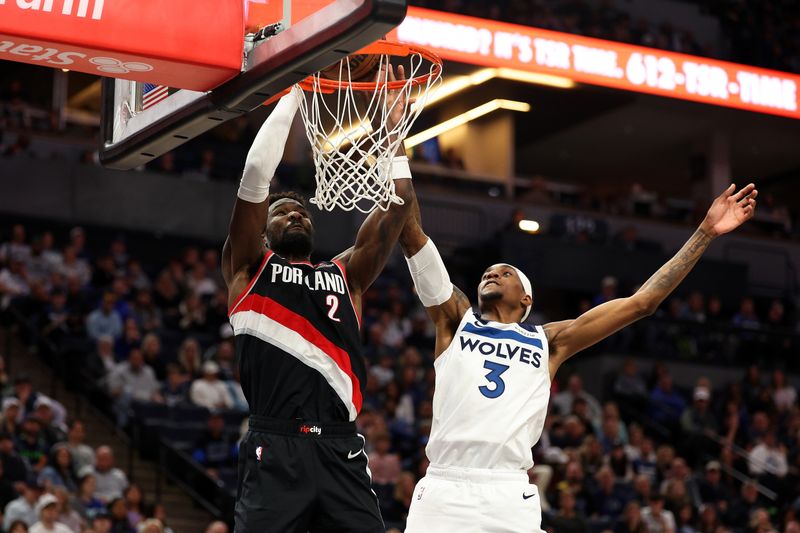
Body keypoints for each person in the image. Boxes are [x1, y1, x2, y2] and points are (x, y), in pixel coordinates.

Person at [398, 183, 757, 532]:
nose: (492, 273)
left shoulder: (549, 341)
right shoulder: (456, 321)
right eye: (489, 272)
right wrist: (393, 145)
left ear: (527, 299)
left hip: (506, 490)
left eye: (506, 273)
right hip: (445, 483)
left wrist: (705, 233)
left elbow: (641, 303)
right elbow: (412, 233)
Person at [225, 65, 414, 532]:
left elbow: (398, 207)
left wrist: (393, 134)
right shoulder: (250, 267)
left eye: (302, 212)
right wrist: (295, 92)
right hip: (275, 443)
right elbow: (254, 172)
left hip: (340, 447)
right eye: (281, 211)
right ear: (263, 233)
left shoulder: (344, 274)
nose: (295, 215)